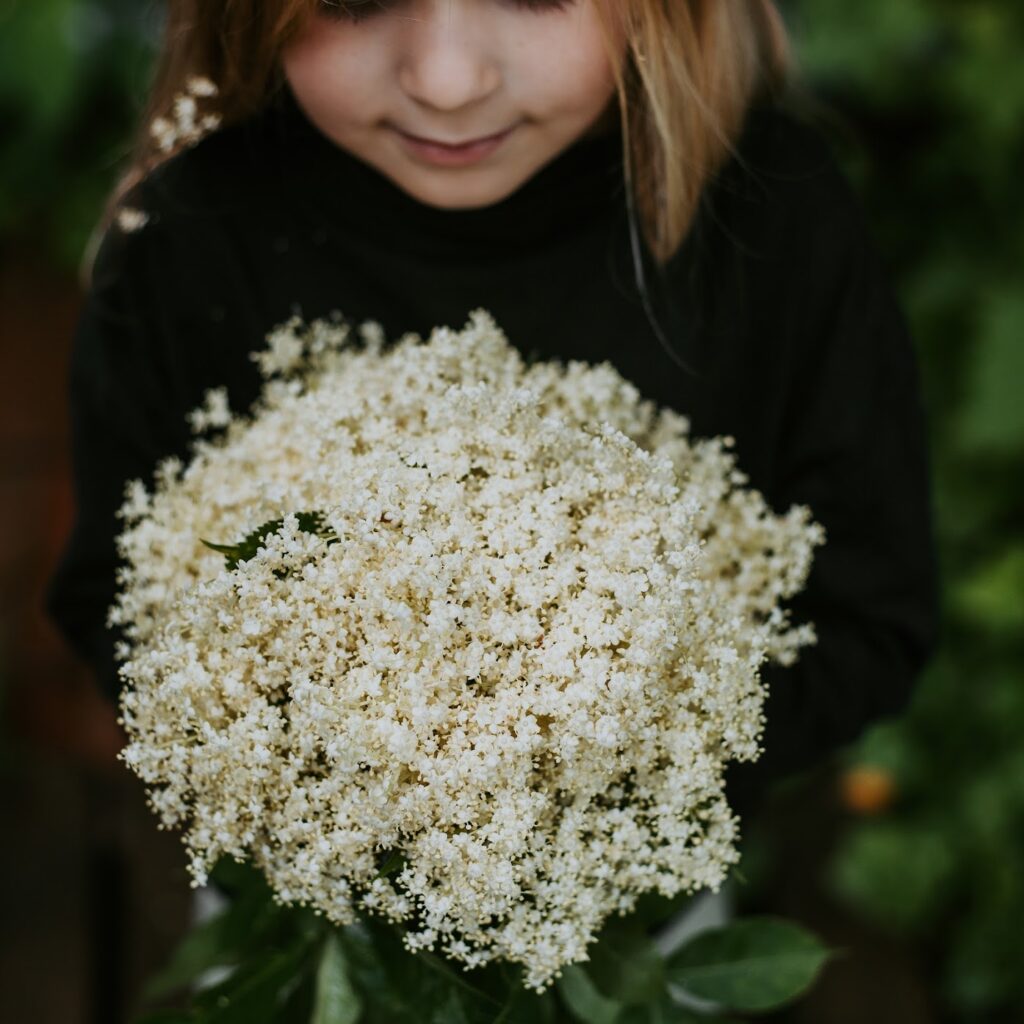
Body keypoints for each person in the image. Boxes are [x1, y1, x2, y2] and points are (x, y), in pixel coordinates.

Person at [46, 0, 939, 858]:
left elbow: (869, 619)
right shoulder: (193, 236)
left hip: (642, 899)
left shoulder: (769, 220)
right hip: (303, 888)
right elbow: (117, 601)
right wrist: (323, 780)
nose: (445, 80)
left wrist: (600, 774)